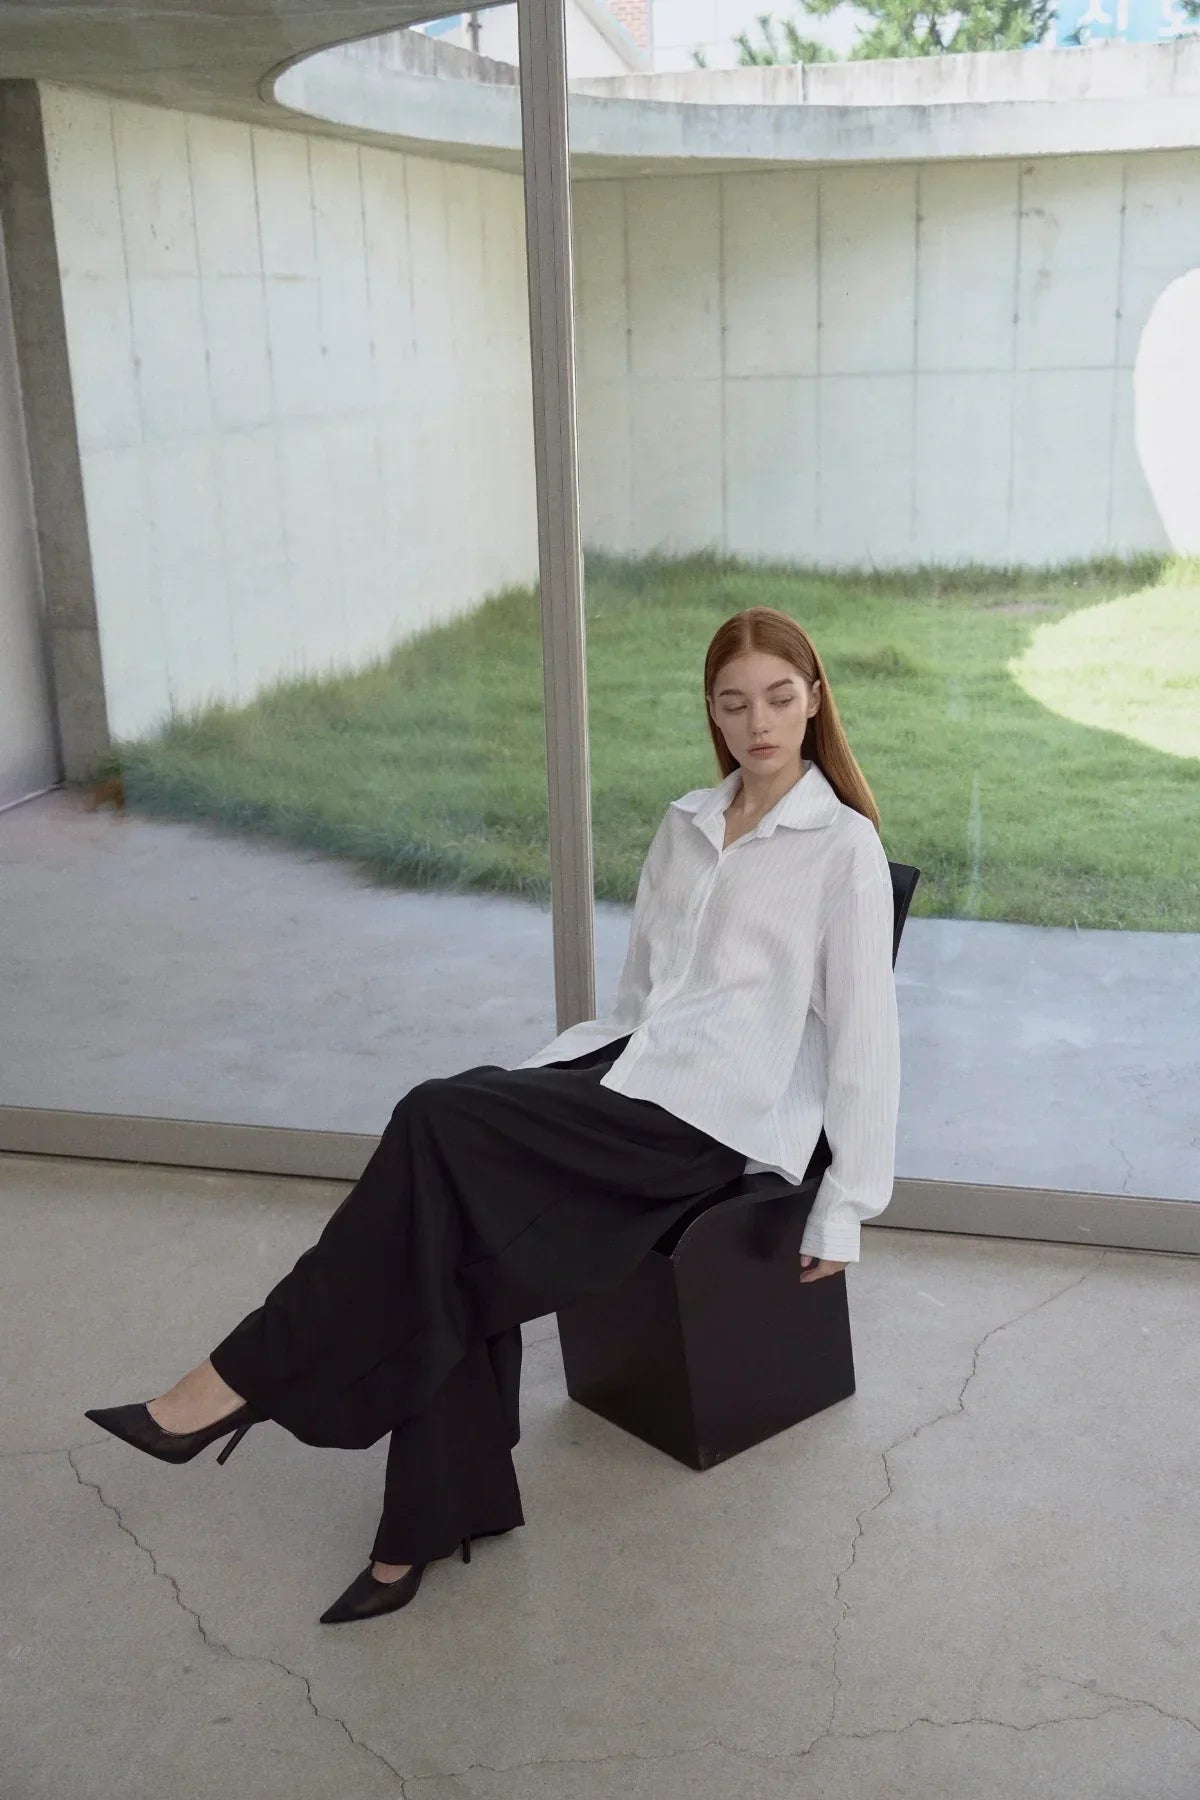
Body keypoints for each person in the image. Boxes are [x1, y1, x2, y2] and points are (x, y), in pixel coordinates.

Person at [84, 605, 901, 1626]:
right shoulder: (688, 824)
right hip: (628, 1075)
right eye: (734, 704)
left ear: (815, 698)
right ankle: (419, 1528)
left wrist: (847, 1204)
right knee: (447, 1225)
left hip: (704, 1123)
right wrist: (559, 1082)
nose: (760, 721)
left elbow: (868, 1036)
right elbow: (644, 997)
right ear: (713, 715)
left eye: (780, 697)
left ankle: (227, 1384)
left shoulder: (842, 848)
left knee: (436, 1117)